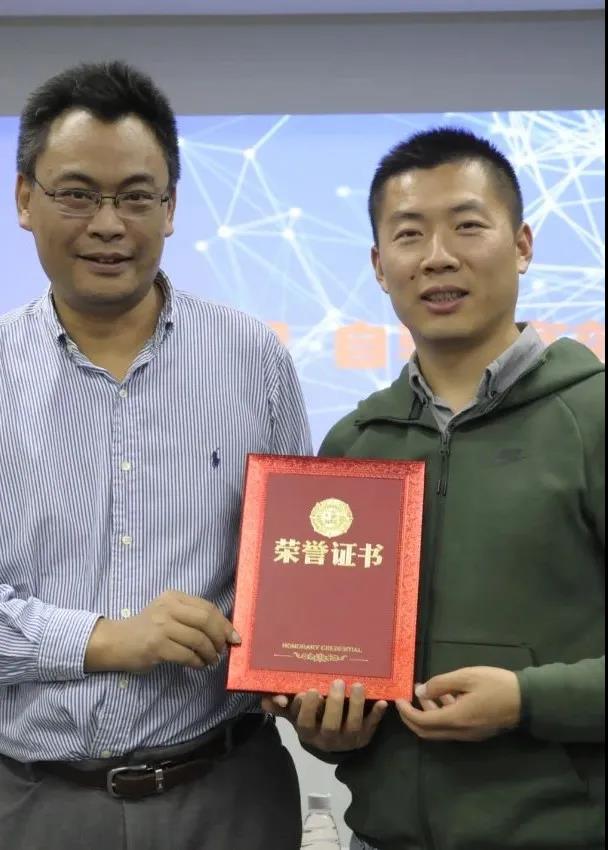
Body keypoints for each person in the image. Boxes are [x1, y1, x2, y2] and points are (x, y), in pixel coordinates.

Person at [0, 61, 311, 850]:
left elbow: (297, 569)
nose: (109, 224)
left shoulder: (252, 358)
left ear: (170, 208)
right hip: (31, 801)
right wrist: (106, 639)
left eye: (136, 196)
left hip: (229, 794)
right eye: (77, 194)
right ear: (25, 199)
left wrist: (306, 664)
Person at [266, 128, 605, 850]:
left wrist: (527, 700)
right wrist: (326, 726)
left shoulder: (594, 416)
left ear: (522, 245)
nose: (438, 257)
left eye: (468, 226)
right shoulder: (357, 444)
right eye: (409, 234)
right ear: (379, 265)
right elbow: (329, 675)